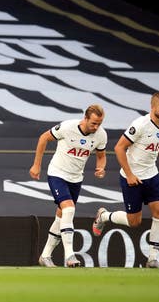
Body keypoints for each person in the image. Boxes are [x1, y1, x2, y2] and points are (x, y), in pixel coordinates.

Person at [92, 92, 159, 268]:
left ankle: (152, 258)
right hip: (132, 177)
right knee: (134, 222)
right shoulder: (140, 125)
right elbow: (119, 148)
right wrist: (130, 174)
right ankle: (104, 215)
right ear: (152, 107)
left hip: (151, 175)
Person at [29, 105, 107, 268]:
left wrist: (101, 168)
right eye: (93, 123)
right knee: (69, 209)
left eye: (99, 123)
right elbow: (43, 138)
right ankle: (70, 255)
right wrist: (37, 165)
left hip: (76, 178)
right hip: (57, 173)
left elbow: (101, 156)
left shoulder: (101, 135)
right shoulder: (67, 127)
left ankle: (45, 256)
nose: (96, 127)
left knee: (61, 216)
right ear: (85, 118)